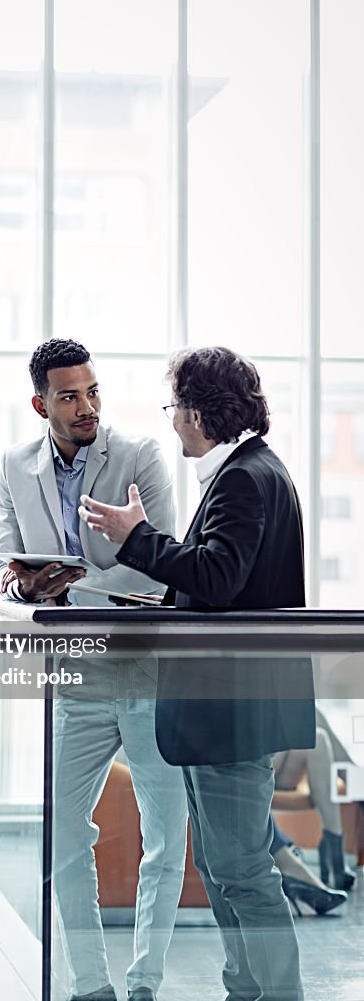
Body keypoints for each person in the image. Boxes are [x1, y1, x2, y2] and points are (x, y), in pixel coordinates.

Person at [79, 346, 316, 1001]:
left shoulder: (242, 477)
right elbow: (224, 584)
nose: (172, 423)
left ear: (199, 411)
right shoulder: (249, 471)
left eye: (174, 408)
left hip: (232, 709)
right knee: (221, 864)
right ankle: (247, 991)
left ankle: (273, 996)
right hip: (230, 706)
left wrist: (137, 537)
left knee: (239, 869)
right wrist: (168, 599)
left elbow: (216, 575)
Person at [0, 338, 188, 1001]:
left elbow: (160, 559)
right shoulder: (15, 466)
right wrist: (21, 586)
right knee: (62, 833)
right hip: (73, 674)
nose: (86, 407)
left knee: (164, 837)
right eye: (69, 396)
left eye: (92, 391)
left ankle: (143, 986)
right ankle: (89, 987)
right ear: (39, 403)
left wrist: (69, 588)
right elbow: (3, 556)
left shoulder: (139, 456)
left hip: (143, 670)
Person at [273, 706, 356, 891]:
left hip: (270, 761)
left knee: (318, 739)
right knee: (306, 712)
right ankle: (334, 860)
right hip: (245, 764)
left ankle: (335, 860)